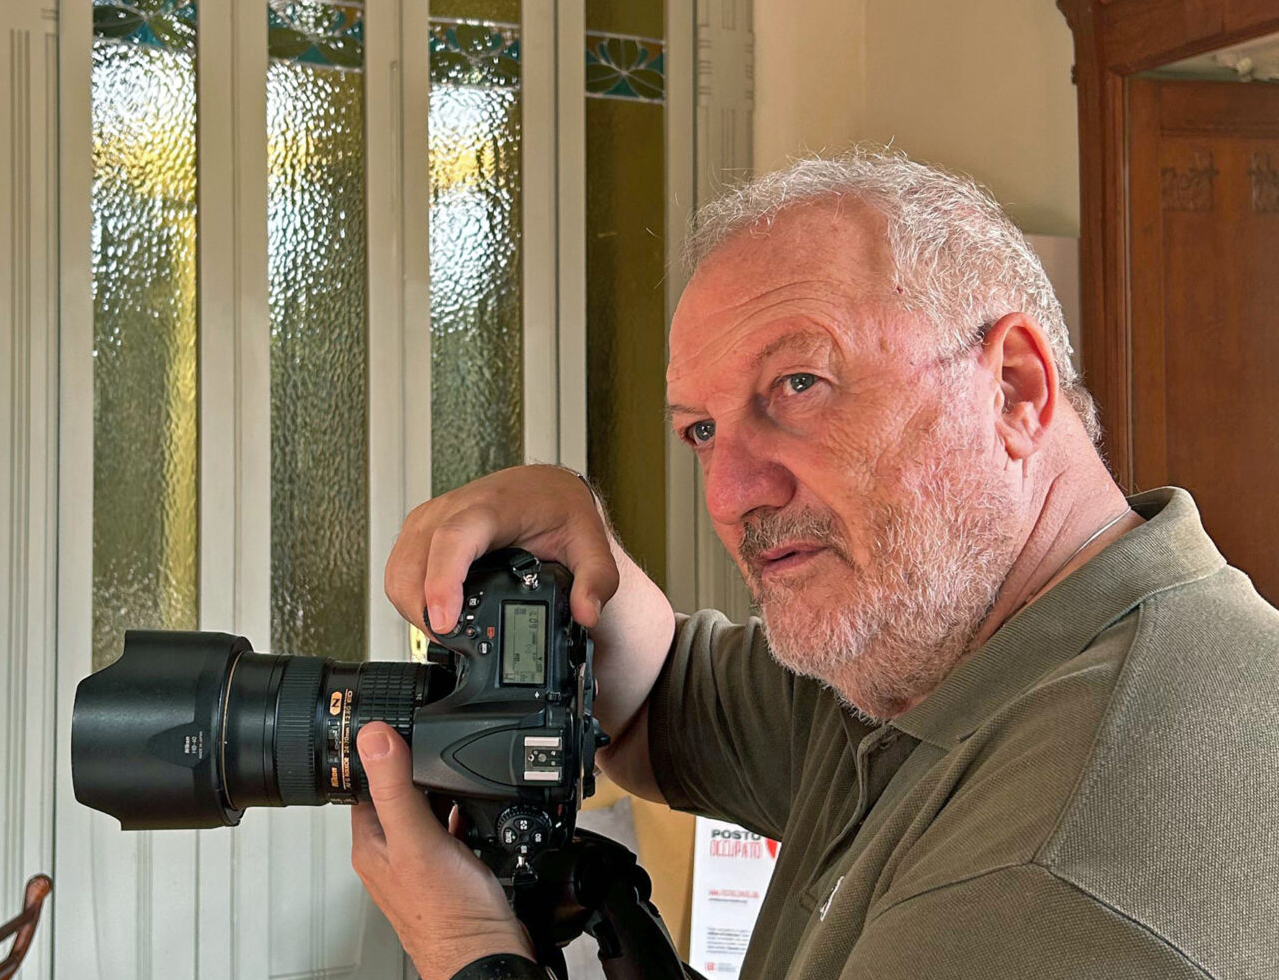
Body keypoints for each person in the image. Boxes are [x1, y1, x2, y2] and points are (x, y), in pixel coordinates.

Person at [349, 148, 1279, 980]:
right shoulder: (954, 663)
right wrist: (571, 546)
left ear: (1012, 390)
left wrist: (469, 952)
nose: (730, 492)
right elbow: (666, 701)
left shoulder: (1053, 871)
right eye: (702, 431)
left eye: (798, 385)